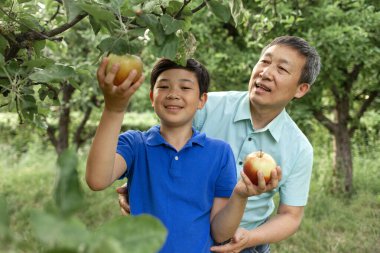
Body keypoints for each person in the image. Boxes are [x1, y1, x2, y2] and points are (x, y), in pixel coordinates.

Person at [117, 35, 321, 253]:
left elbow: (290, 216)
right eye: (264, 61)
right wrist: (140, 182)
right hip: (188, 236)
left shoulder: (298, 147)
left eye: (282, 69)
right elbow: (159, 145)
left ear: (301, 89)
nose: (266, 72)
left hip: (245, 244)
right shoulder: (206, 106)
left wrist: (249, 238)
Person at [86, 57, 262, 253]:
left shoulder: (219, 153)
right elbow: (97, 180)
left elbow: (221, 234)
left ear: (201, 100)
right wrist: (114, 108)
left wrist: (240, 195)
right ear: (152, 98)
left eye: (185, 88)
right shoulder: (135, 145)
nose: (173, 94)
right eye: (164, 86)